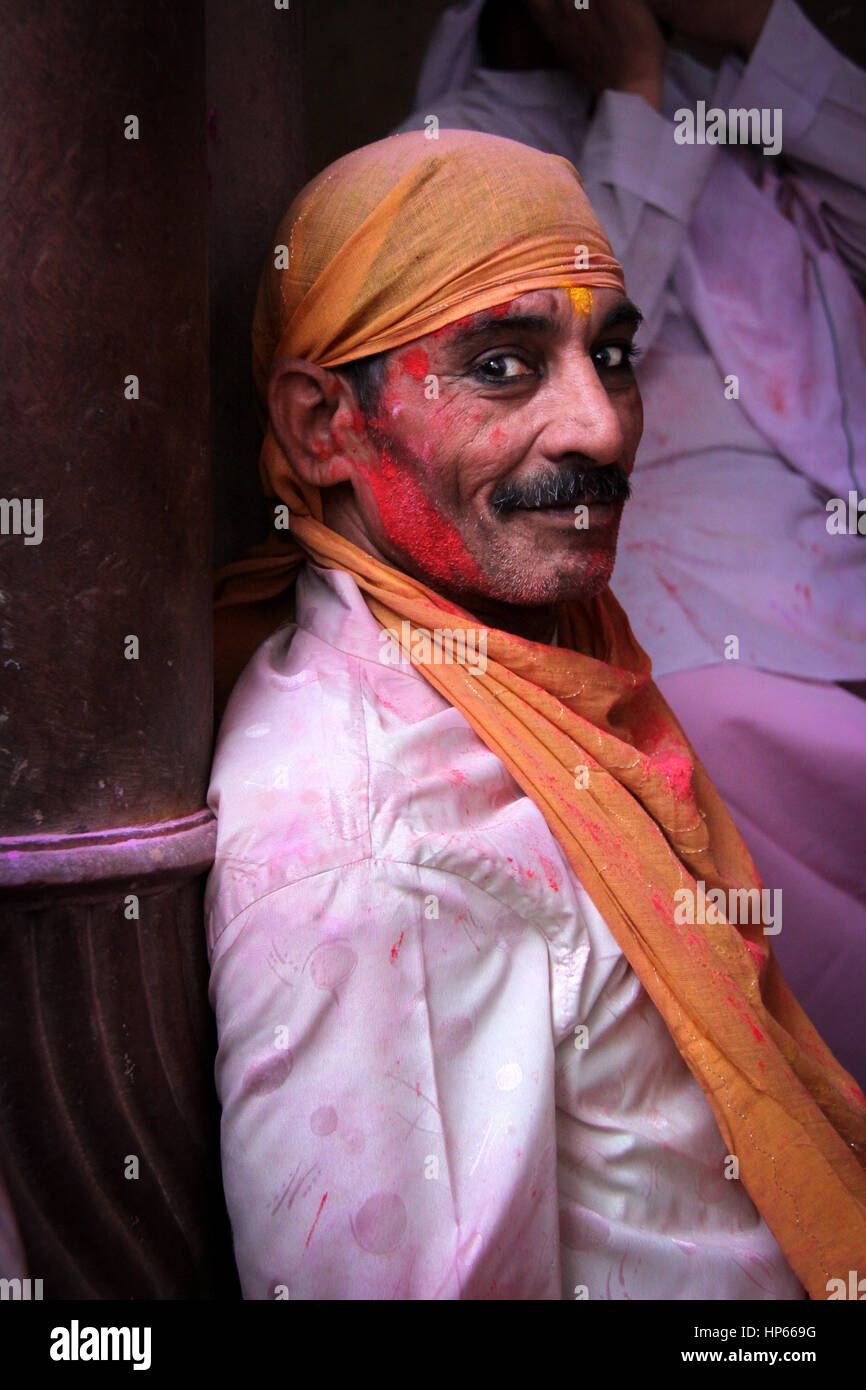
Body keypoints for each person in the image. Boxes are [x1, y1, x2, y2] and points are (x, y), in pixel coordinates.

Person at [206, 129, 866, 1301]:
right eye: (501, 365)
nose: (601, 427)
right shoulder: (384, 850)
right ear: (325, 427)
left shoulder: (530, 670)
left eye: (609, 356)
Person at [395, 0, 866, 1090]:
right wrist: (631, 95)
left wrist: (753, 38)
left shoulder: (731, 106)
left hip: (832, 562)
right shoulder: (445, 155)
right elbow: (541, 379)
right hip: (716, 624)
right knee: (708, 742)